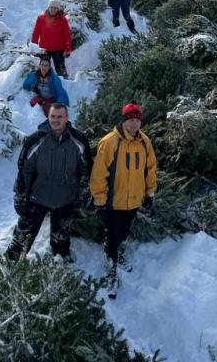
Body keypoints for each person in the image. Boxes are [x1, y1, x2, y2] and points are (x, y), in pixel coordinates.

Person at [89, 102, 157, 298]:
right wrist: (100, 201)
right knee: (113, 235)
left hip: (134, 200)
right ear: (124, 120)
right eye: (131, 120)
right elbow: (98, 174)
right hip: (113, 201)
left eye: (137, 120)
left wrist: (150, 193)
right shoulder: (110, 142)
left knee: (125, 232)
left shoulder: (144, 142)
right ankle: (111, 269)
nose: (135, 124)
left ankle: (119, 253)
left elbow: (150, 168)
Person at [8, 103, 89, 262]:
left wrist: (83, 194)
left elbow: (85, 170)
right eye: (52, 116)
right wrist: (20, 195)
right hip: (37, 198)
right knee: (22, 238)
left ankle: (61, 262)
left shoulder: (78, 141)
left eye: (60, 116)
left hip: (65, 200)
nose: (56, 120)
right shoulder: (36, 139)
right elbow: (25, 169)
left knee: (61, 240)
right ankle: (11, 263)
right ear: (48, 117)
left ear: (67, 118)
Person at [31, 0, 72, 78]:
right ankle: (42, 81)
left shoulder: (63, 20)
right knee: (43, 67)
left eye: (55, 8)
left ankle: (65, 82)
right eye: (51, 7)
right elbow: (36, 32)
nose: (53, 9)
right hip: (44, 49)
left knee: (60, 68)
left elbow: (67, 35)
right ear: (48, 8)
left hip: (59, 49)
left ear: (58, 9)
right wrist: (33, 46)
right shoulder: (41, 18)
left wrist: (67, 49)